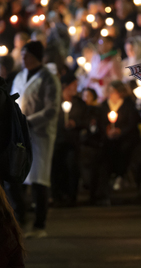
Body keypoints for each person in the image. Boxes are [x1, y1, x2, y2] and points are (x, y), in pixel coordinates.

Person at [11, 41, 61, 237]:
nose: (23, 59)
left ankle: (40, 224)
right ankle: (20, 219)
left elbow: (51, 109)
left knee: (39, 178)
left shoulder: (48, 78)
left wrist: (28, 122)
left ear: (37, 57)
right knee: (18, 177)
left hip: (40, 134)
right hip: (21, 134)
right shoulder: (20, 76)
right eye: (22, 55)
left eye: (28, 55)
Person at [51, 73, 87, 207]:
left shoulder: (79, 103)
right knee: (57, 168)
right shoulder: (55, 101)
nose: (76, 88)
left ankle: (71, 197)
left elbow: (86, 120)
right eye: (74, 85)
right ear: (65, 86)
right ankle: (57, 196)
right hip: (58, 141)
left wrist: (75, 123)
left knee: (72, 168)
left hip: (73, 142)